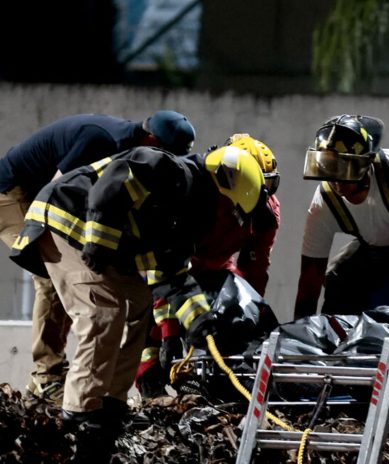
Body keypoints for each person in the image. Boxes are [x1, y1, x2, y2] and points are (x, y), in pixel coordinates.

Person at [10, 144, 263, 461]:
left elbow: (172, 275)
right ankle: (80, 416)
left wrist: (199, 322)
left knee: (139, 305)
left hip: (103, 242)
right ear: (221, 187)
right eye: (229, 210)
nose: (227, 221)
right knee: (103, 311)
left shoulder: (185, 218)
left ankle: (110, 408)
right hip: (68, 219)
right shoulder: (167, 169)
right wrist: (98, 239)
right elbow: (114, 181)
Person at [0, 111, 196, 404]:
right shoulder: (101, 140)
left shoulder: (132, 151)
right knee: (53, 278)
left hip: (44, 193)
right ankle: (46, 377)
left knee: (76, 278)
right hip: (13, 193)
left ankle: (93, 386)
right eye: (166, 154)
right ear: (152, 139)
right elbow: (55, 191)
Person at [136, 134, 281, 398]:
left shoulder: (265, 215)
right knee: (149, 322)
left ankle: (217, 383)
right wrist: (168, 334)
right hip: (167, 273)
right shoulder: (196, 198)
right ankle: (150, 378)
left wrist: (249, 314)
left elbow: (256, 267)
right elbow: (165, 271)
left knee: (230, 324)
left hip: (218, 273)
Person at [294, 114, 389, 320]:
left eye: (346, 169)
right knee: (339, 276)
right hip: (380, 242)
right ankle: (339, 343)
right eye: (331, 168)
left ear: (365, 164)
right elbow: (310, 279)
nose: (338, 182)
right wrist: (298, 334)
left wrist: (386, 281)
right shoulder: (324, 203)